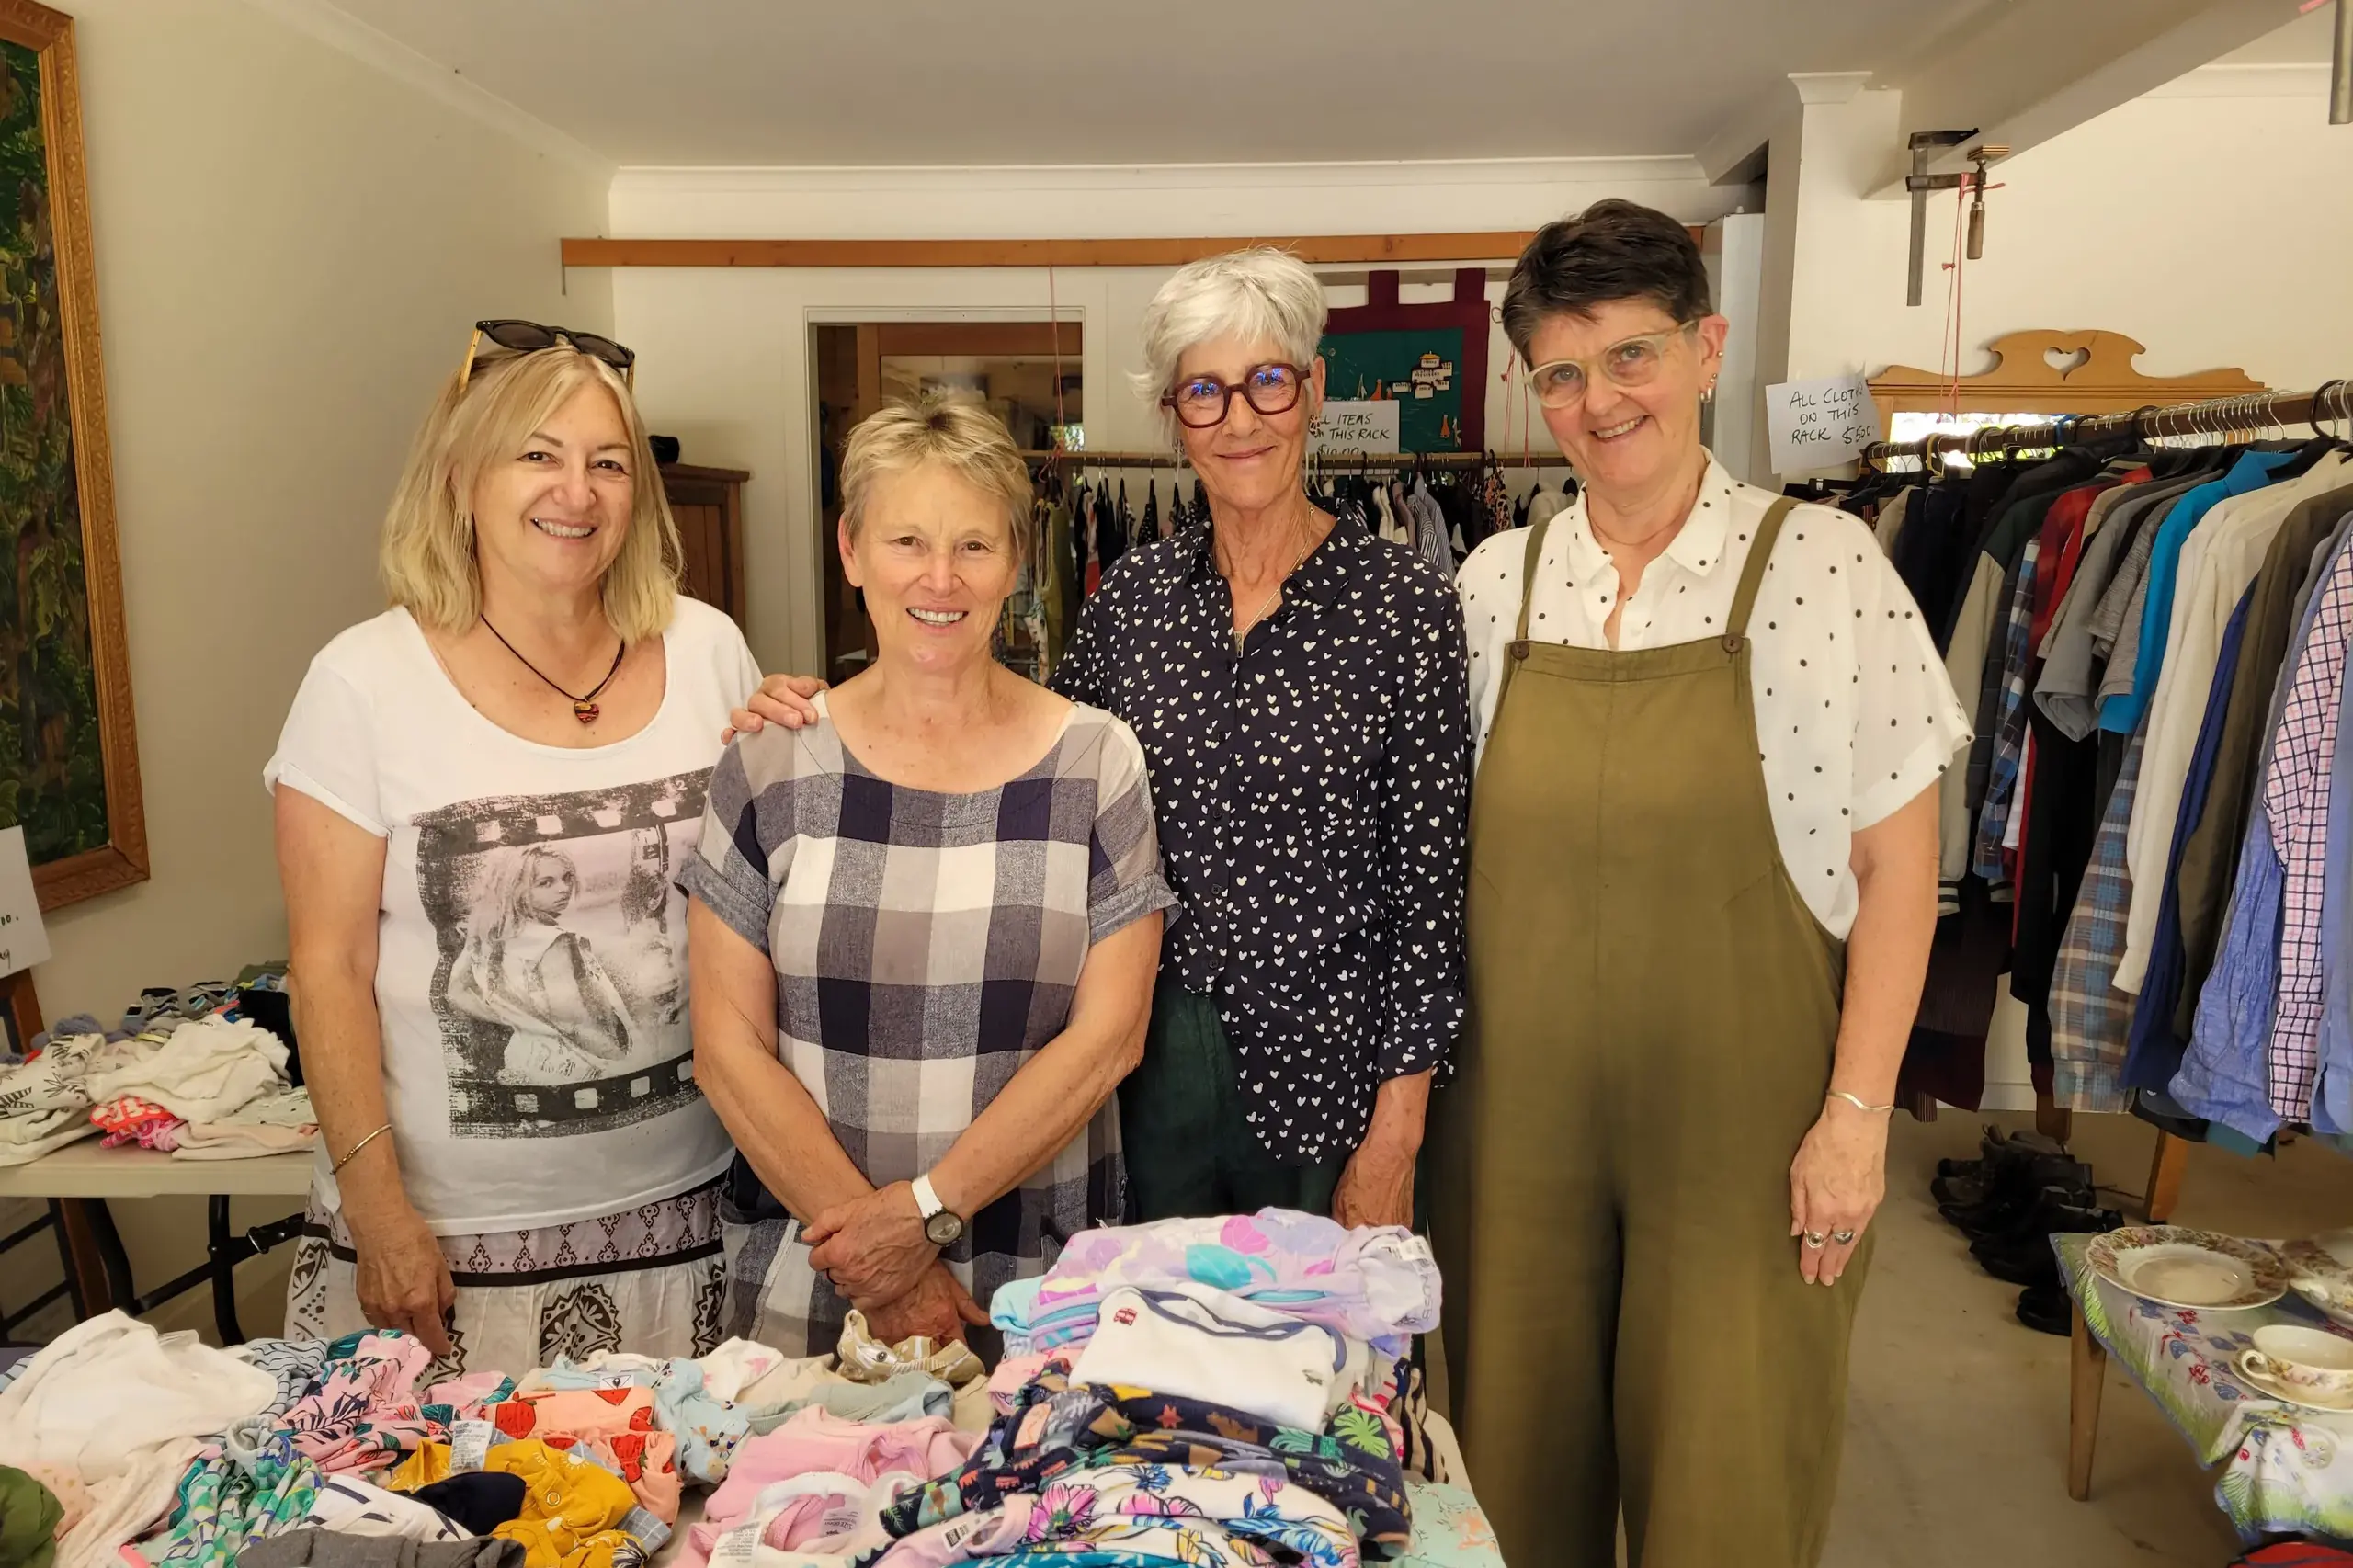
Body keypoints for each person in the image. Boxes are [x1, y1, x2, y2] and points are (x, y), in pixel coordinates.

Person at [1433, 200, 1972, 1566]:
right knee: (1506, 1482)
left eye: (1631, 356)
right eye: (1562, 370)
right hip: (1513, 1132)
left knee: (1728, 1488)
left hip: (1748, 1128)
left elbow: (1899, 869)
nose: (1599, 399)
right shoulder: (1497, 583)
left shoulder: (1831, 568)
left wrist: (1855, 1118)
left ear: (1706, 348)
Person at [734, 249, 1469, 1230]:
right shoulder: (1131, 600)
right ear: (1174, 414)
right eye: (1205, 390)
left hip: (1330, 1079)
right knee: (1145, 1364)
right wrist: (831, 707)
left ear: (1312, 388)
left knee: (1321, 1366)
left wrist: (1396, 1137)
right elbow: (1027, 764)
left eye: (1267, 382)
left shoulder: (1405, 605)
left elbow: (1428, 891)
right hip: (1142, 1070)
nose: (1240, 419)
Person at [267, 320, 768, 1375]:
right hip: (451, 1247)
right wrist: (380, 1211)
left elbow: (749, 893)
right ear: (459, 479)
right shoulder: (362, 681)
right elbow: (327, 966)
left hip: (694, 1217)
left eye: (607, 463)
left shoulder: (708, 646)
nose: (574, 492)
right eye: (536, 455)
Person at [684, 394, 1172, 1356]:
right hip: (819, 1283)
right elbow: (726, 1045)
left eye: (974, 546)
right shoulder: (768, 761)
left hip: (1039, 1294)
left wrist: (919, 1218)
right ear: (851, 548)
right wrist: (879, 1259)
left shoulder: (1096, 761)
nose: (939, 577)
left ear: (1018, 561)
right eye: (906, 539)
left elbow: (1110, 1038)